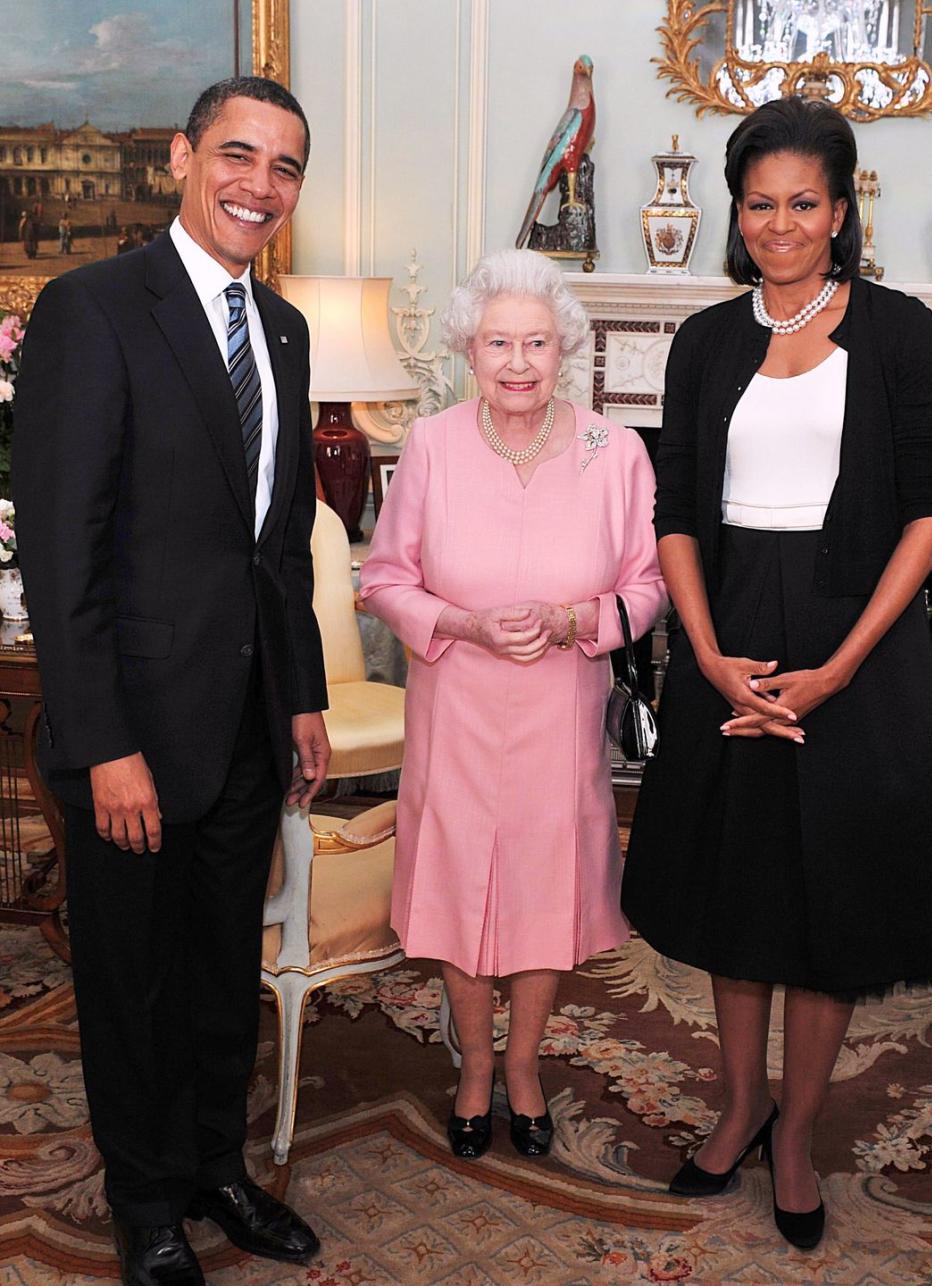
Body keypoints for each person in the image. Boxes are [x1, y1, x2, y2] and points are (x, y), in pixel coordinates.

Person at [622, 96, 932, 1252]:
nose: (779, 224)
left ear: (840, 209)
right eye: (759, 203)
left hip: (858, 644)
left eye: (802, 203)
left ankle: (800, 1131)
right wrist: (706, 654)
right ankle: (738, 1105)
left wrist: (843, 664)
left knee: (832, 908)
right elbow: (674, 511)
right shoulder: (706, 340)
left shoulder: (903, 331)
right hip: (730, 642)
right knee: (737, 893)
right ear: (737, 209)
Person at [14, 76, 330, 1286]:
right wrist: (104, 742)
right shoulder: (93, 311)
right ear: (184, 159)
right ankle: (145, 1195)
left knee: (216, 975)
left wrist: (299, 693)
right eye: (238, 155)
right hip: (133, 734)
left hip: (247, 724)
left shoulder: (285, 329)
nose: (260, 184)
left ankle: (213, 1165)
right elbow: (60, 545)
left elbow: (280, 540)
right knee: (131, 980)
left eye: (285, 167)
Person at [360, 248, 665, 1162]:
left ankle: (523, 1067)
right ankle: (475, 1071)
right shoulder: (432, 444)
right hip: (456, 703)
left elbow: (648, 588)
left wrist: (579, 619)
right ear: (468, 349)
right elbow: (383, 579)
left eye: (537, 341)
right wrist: (466, 624)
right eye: (500, 342)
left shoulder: (618, 452)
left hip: (560, 714)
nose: (520, 361)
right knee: (457, 884)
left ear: (564, 346)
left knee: (545, 886)